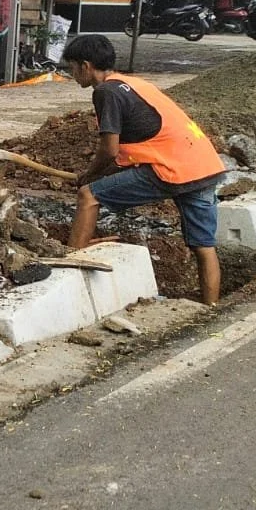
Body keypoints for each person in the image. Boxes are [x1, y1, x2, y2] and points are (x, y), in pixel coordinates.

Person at [60, 33, 225, 306]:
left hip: (171, 169)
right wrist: (105, 174)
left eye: (73, 69)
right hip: (204, 166)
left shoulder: (106, 91)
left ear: (86, 66)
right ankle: (212, 310)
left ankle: (69, 262)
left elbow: (109, 150)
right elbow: (132, 149)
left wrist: (90, 177)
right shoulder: (133, 83)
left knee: (89, 196)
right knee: (203, 246)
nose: (73, 75)